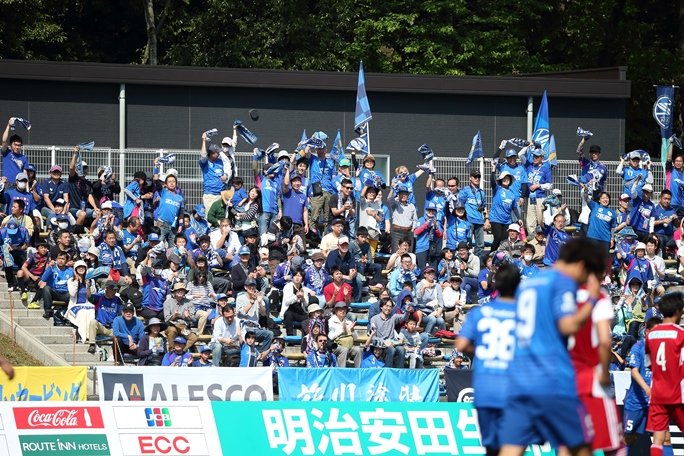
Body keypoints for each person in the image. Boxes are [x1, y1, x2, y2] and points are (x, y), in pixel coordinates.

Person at [498, 238, 608, 456]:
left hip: (520, 378)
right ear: (581, 266)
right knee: (581, 447)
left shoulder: (529, 283)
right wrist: (593, 300)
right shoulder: (562, 281)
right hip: (552, 378)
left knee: (510, 451)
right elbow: (568, 325)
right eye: (587, 275)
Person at [455, 264, 520, 456]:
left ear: (495, 284)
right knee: (512, 444)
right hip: (512, 386)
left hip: (485, 387)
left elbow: (461, 344)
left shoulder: (480, 312)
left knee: (491, 447)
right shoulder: (524, 314)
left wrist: (482, 351)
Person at [569, 276, 625, 456]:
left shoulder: (558, 297)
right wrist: (605, 376)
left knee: (571, 446)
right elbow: (604, 342)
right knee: (615, 445)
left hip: (566, 382)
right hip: (591, 379)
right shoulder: (597, 297)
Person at [644, 292, 684, 456]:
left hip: (658, 393)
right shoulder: (681, 334)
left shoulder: (650, 335)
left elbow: (649, 363)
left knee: (658, 439)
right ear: (677, 311)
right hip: (677, 393)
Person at [623, 317, 668, 450]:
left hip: (657, 402)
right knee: (630, 438)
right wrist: (647, 389)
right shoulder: (638, 347)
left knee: (665, 437)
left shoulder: (664, 349)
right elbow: (634, 372)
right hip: (637, 402)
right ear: (647, 331)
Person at [489, 164, 523, 252]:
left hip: (507, 220)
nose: (506, 180)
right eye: (504, 178)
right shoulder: (497, 189)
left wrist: (519, 218)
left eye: (508, 178)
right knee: (497, 238)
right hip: (496, 218)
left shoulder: (512, 194)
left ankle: (502, 255)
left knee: (504, 240)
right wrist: (493, 170)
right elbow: (492, 181)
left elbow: (514, 208)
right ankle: (491, 255)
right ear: (501, 180)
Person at [369, 298, 410, 368]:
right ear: (381, 307)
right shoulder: (374, 319)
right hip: (381, 345)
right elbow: (373, 337)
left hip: (393, 343)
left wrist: (407, 311)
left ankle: (400, 371)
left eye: (390, 307)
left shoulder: (393, 317)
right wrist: (384, 341)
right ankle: (388, 370)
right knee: (391, 350)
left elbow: (404, 318)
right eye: (386, 306)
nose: (388, 308)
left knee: (401, 349)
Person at [236, 278, 274, 353]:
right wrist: (252, 301)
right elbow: (243, 312)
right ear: (245, 287)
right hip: (244, 328)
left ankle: (262, 354)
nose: (252, 288)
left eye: (253, 286)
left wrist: (259, 302)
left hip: (256, 328)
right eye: (249, 286)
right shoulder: (240, 298)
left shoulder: (258, 298)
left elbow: (263, 314)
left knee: (270, 334)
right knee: (251, 332)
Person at [458, 169, 488, 259]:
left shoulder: (482, 192)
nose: (477, 178)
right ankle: (466, 261)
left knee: (480, 245)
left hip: (479, 221)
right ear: (470, 178)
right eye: (475, 177)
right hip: (469, 220)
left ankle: (476, 262)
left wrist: (487, 219)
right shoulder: (466, 190)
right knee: (468, 243)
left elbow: (484, 206)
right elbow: (460, 204)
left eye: (479, 177)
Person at [87, 280, 123, 354]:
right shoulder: (99, 297)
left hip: (113, 328)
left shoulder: (117, 300)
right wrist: (87, 287)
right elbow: (89, 297)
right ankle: (92, 345)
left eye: (115, 290)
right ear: (106, 288)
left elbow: (120, 315)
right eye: (112, 290)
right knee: (93, 322)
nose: (114, 292)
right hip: (101, 326)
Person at [523, 147, 553, 236]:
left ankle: (542, 238)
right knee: (530, 221)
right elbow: (520, 155)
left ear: (542, 158)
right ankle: (532, 239)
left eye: (537, 157)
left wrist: (539, 185)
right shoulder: (529, 166)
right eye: (534, 156)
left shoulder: (546, 170)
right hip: (529, 197)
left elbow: (550, 185)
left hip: (540, 198)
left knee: (541, 219)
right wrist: (527, 146)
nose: (535, 158)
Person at [65, 260, 96, 343]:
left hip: (87, 304)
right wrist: (76, 281)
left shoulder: (91, 280)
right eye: (79, 267)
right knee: (83, 313)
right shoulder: (71, 281)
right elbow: (72, 294)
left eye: (83, 267)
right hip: (75, 305)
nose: (81, 269)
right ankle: (84, 337)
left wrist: (88, 286)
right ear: (75, 269)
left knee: (91, 312)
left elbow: (91, 295)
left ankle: (90, 336)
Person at [163, 282, 198, 351]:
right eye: (178, 290)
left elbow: (192, 319)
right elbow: (166, 319)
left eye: (182, 290)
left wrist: (187, 316)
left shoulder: (189, 302)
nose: (180, 292)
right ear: (174, 292)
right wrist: (174, 316)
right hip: (171, 325)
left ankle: (181, 351)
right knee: (172, 330)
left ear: (185, 292)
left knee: (193, 338)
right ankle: (171, 351)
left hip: (183, 326)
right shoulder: (167, 302)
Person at [39, 251, 74, 319]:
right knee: (46, 288)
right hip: (54, 292)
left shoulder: (71, 271)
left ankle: (69, 313)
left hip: (66, 293)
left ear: (66, 261)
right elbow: (43, 279)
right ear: (56, 259)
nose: (60, 260)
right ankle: (48, 311)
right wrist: (49, 267)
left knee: (73, 294)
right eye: (59, 258)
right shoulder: (52, 268)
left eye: (63, 259)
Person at [152, 173, 184, 246]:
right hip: (162, 223)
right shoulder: (163, 192)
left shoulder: (180, 198)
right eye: (169, 182)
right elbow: (156, 181)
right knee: (159, 245)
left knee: (172, 248)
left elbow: (181, 213)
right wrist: (156, 170)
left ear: (176, 183)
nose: (171, 183)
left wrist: (180, 225)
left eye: (173, 181)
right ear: (166, 184)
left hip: (173, 226)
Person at [327, 302, 362, 368]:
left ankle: (359, 370)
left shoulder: (348, 321)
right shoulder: (331, 321)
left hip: (349, 346)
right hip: (335, 346)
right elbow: (330, 337)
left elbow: (355, 338)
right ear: (336, 311)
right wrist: (342, 330)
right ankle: (341, 370)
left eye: (344, 309)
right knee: (344, 349)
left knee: (358, 350)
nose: (343, 311)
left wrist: (352, 330)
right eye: (340, 309)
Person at [199, 133, 228, 210]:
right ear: (211, 154)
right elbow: (203, 155)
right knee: (210, 215)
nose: (218, 153)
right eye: (216, 152)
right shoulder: (205, 163)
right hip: (210, 195)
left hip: (221, 194)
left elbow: (227, 170)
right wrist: (204, 141)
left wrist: (226, 176)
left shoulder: (220, 161)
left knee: (221, 216)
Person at [414, 267, 446, 335]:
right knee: (432, 319)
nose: (431, 275)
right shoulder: (419, 285)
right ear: (425, 275)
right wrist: (423, 288)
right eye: (429, 273)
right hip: (424, 312)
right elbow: (418, 298)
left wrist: (440, 310)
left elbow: (440, 300)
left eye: (432, 273)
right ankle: (427, 336)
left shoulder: (437, 286)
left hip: (434, 310)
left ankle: (440, 337)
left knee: (441, 321)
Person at [281, 270, 313, 336]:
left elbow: (306, 304)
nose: (297, 278)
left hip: (300, 311)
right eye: (295, 276)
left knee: (307, 318)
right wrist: (296, 297)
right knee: (288, 315)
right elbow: (287, 302)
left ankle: (306, 337)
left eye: (299, 276)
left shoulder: (304, 289)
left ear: (302, 278)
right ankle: (290, 336)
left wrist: (302, 298)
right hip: (289, 309)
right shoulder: (287, 287)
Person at [414, 202, 443, 271]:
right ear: (426, 211)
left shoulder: (436, 221)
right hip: (422, 247)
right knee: (422, 269)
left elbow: (439, 235)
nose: (431, 212)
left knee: (433, 269)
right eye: (429, 210)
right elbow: (416, 232)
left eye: (433, 210)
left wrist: (436, 227)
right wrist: (425, 224)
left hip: (432, 248)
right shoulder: (421, 219)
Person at [387, 185, 417, 252]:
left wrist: (413, 228)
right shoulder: (395, 204)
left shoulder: (411, 206)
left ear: (408, 195)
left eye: (405, 194)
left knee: (409, 253)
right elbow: (389, 199)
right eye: (401, 193)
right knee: (396, 252)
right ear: (398, 195)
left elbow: (415, 219)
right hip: (397, 231)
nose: (403, 195)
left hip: (409, 232)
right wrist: (392, 189)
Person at [282, 169, 309, 240]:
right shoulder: (287, 192)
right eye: (294, 181)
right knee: (286, 244)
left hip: (299, 225)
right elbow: (286, 183)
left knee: (301, 245)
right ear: (291, 183)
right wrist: (288, 170)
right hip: (287, 223)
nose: (297, 183)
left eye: (299, 181)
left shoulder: (303, 196)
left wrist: (306, 224)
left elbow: (305, 211)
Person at [653, 189, 677, 258]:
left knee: (679, 240)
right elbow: (651, 223)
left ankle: (677, 259)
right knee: (660, 240)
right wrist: (663, 221)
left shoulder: (672, 210)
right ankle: (664, 259)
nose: (667, 201)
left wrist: (675, 219)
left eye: (669, 199)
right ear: (660, 198)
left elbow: (677, 225)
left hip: (670, 236)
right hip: (659, 234)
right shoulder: (655, 209)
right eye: (665, 198)